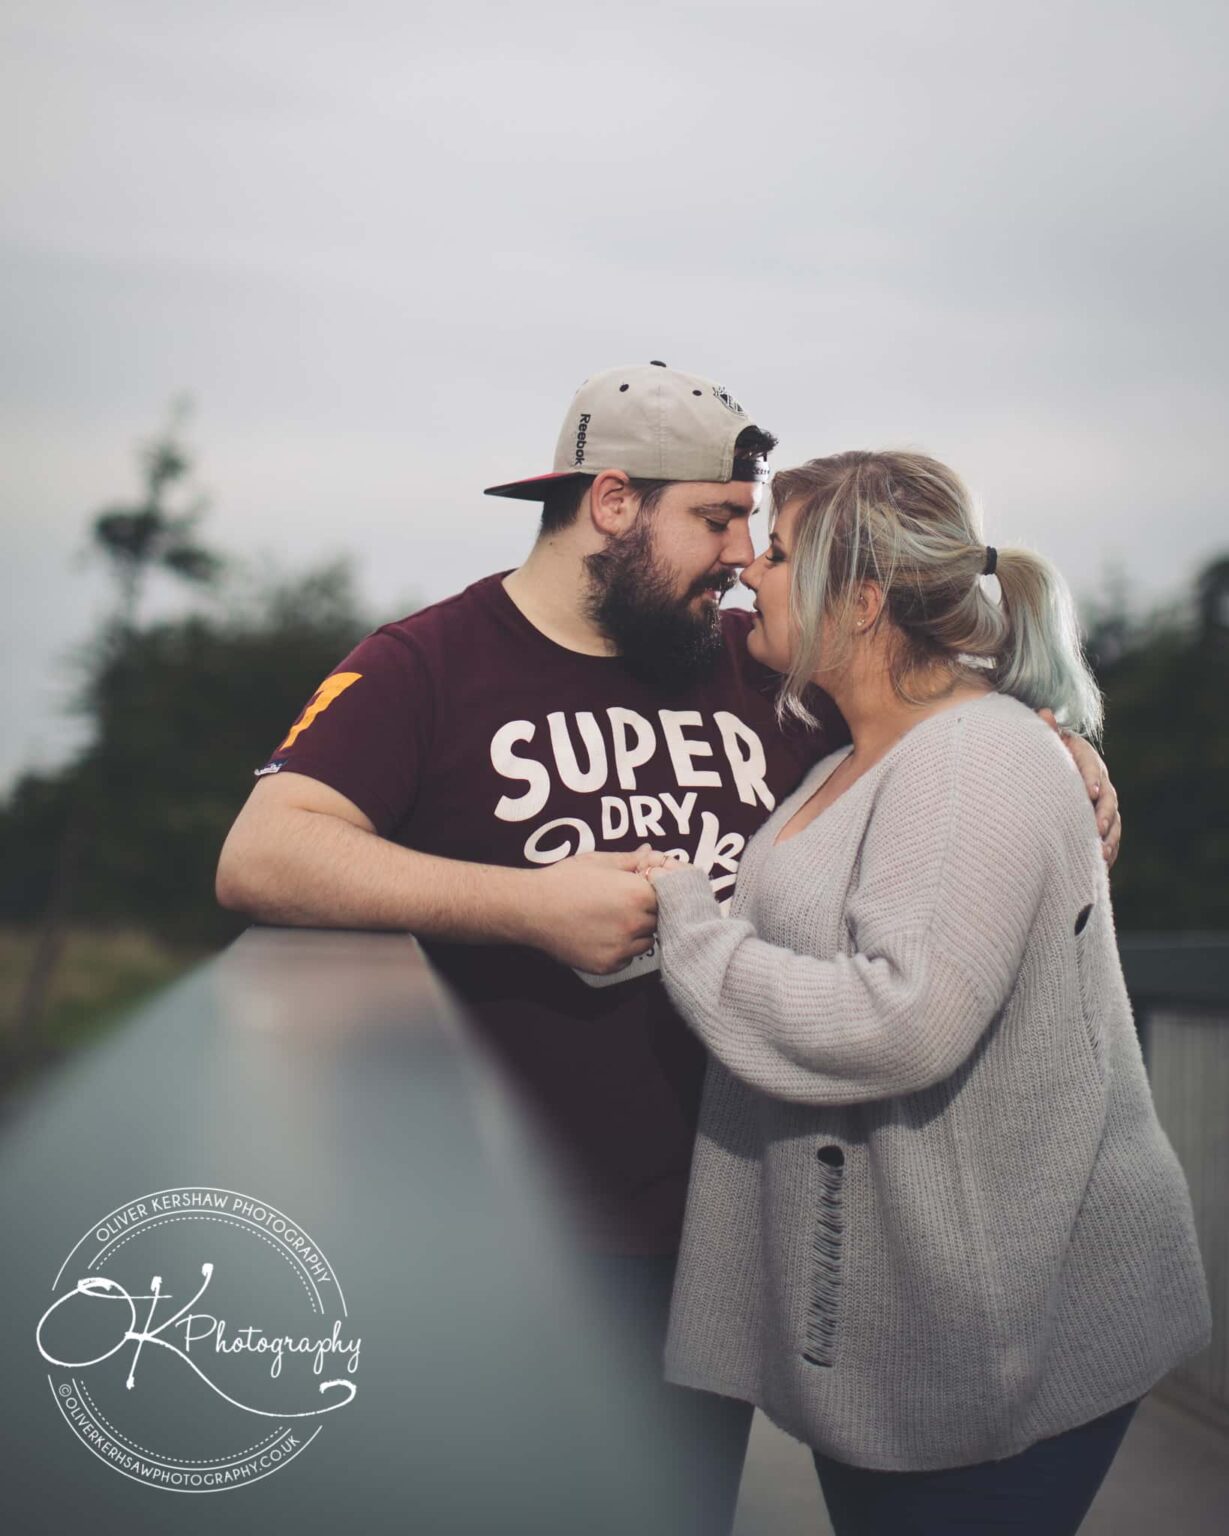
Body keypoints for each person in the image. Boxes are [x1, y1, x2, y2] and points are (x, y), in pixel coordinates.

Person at [215, 372, 1120, 1535]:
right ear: (611, 504)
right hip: (507, 1244)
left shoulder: (758, 658)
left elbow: (930, 706)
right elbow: (263, 853)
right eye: (716, 518)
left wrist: (1058, 745)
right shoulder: (427, 663)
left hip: (712, 1253)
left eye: (752, 527)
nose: (741, 557)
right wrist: (525, 906)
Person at [643, 450, 1209, 1536]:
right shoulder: (851, 758)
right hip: (896, 1327)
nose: (749, 572)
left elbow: (899, 1020)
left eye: (776, 553)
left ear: (859, 600)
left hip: (1003, 1340)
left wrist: (687, 924)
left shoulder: (971, 760)